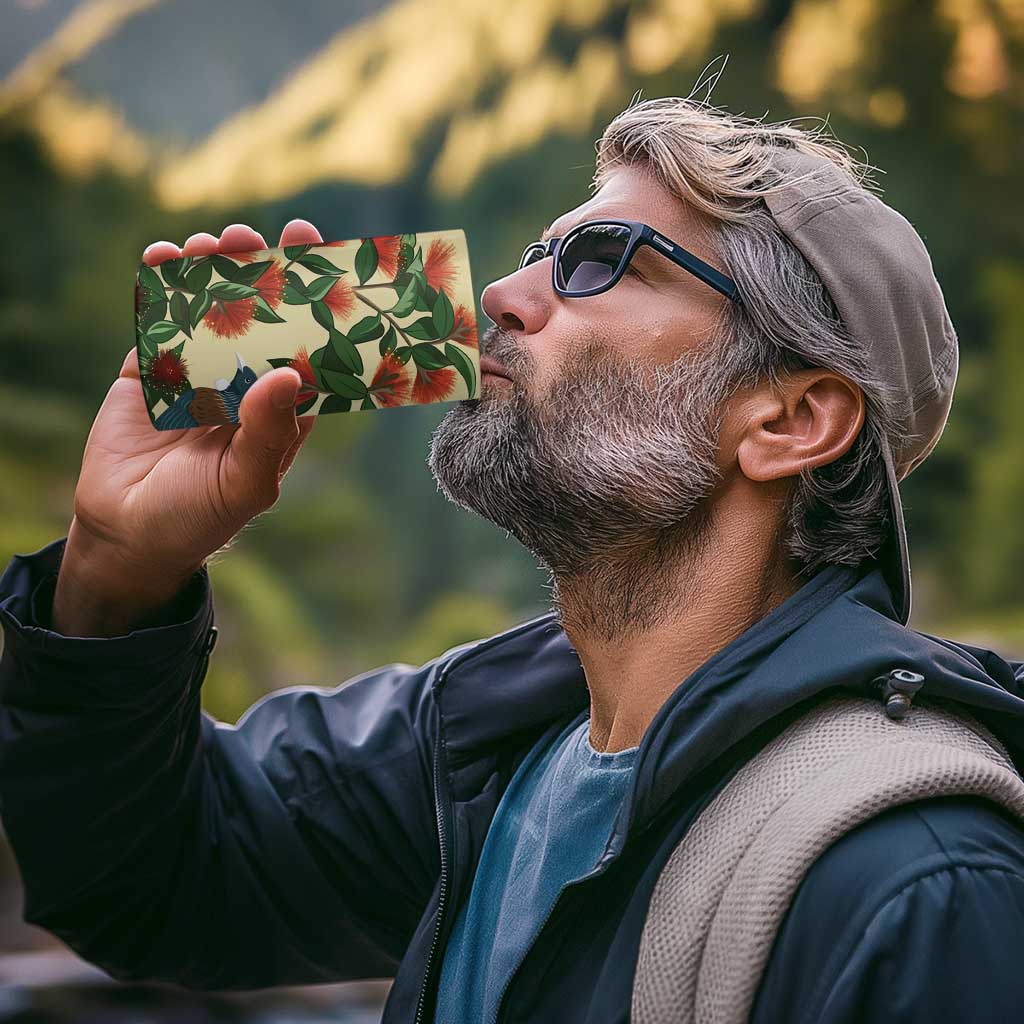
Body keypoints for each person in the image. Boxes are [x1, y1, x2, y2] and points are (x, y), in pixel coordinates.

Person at [2, 95, 1024, 1024]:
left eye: (601, 260)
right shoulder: (482, 746)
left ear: (790, 421)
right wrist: (116, 574)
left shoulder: (919, 887)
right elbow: (150, 879)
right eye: (541, 252)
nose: (499, 292)